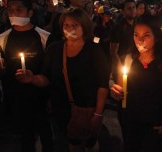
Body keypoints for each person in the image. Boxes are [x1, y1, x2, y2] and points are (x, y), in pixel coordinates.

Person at [19, 8, 109, 152]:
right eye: (66, 25)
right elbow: (46, 78)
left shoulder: (94, 50)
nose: (69, 29)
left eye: (74, 25)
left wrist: (98, 114)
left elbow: (103, 84)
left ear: (84, 26)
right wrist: (33, 79)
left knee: (89, 143)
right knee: (71, 143)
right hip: (61, 109)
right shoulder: (54, 49)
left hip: (87, 109)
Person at [0, 0, 53, 152]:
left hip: (40, 97)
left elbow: (50, 70)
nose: (14, 14)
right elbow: (3, 72)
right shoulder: (3, 38)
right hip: (17, 97)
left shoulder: (43, 37)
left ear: (30, 13)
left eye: (19, 10)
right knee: (25, 137)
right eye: (10, 10)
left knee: (47, 134)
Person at [110, 15, 162, 152]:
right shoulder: (127, 60)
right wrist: (115, 91)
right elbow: (119, 88)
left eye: (146, 35)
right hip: (130, 120)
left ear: (156, 37)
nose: (140, 40)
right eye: (136, 35)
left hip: (155, 123)